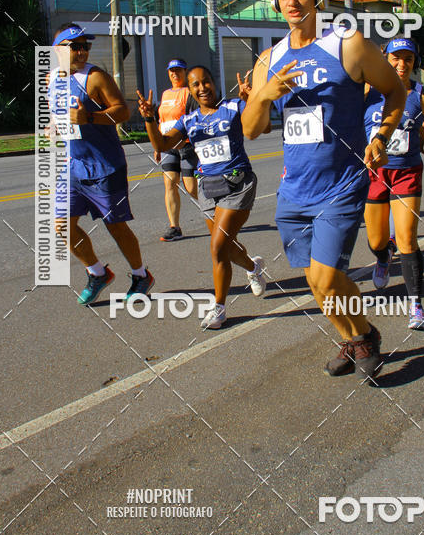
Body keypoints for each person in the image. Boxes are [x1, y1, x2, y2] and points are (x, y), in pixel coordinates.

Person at [242, 0, 406, 382]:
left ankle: (366, 336)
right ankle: (353, 337)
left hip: (343, 183)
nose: (293, 2)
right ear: (276, 3)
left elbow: (395, 91)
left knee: (328, 277)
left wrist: (380, 135)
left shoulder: (346, 45)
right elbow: (251, 129)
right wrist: (264, 95)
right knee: (316, 284)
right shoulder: (270, 60)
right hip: (294, 190)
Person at [137, 66, 266, 329]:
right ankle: (253, 268)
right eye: (196, 85)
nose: (202, 88)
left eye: (206, 82)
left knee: (218, 247)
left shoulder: (233, 107)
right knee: (227, 247)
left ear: (214, 83)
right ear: (191, 90)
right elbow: (161, 145)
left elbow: (260, 129)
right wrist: (149, 118)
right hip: (209, 188)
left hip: (238, 184)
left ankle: (219, 308)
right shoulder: (189, 120)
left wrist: (249, 101)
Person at [49, 23, 153, 305]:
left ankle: (141, 275)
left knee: (115, 226)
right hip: (72, 166)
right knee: (61, 224)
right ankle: (97, 273)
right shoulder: (51, 80)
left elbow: (122, 110)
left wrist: (91, 118)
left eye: (86, 46)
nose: (82, 51)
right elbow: (58, 115)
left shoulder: (94, 77)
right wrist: (53, 127)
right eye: (75, 46)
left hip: (105, 166)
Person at [363, 38, 424, 331]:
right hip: (374, 175)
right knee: (377, 241)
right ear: (385, 58)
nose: (402, 65)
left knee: (407, 239)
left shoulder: (421, 96)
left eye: (408, 59)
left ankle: (416, 305)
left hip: (406, 172)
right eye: (396, 58)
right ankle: (383, 257)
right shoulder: (367, 91)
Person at [156, 58, 199, 241]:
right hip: (167, 146)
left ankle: (217, 211)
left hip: (185, 144)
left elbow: (195, 117)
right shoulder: (166, 94)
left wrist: (185, 139)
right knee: (170, 183)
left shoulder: (189, 93)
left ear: (185, 72)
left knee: (191, 187)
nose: (175, 74)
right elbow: (162, 120)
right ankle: (175, 227)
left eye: (178, 70)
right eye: (172, 71)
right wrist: (158, 145)